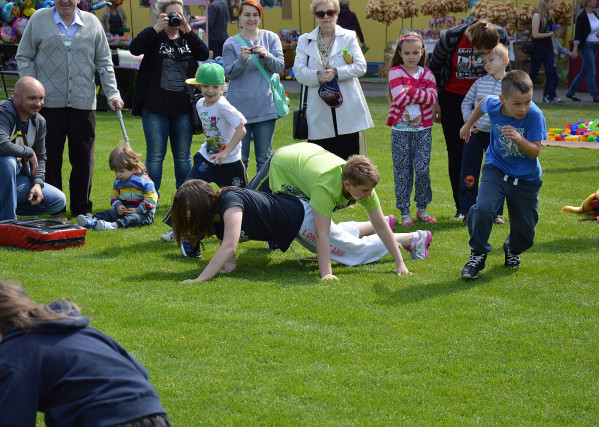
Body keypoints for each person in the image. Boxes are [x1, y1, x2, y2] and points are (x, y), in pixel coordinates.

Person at [171, 180, 431, 283]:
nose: (186, 216)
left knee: (352, 254)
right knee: (338, 234)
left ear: (201, 204)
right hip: (295, 215)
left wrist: (199, 279)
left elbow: (230, 245)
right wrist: (225, 267)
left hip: (298, 220)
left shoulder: (229, 205)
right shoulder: (218, 213)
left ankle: (413, 238)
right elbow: (229, 256)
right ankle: (380, 223)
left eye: (187, 211)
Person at [0, 280, 171, 426]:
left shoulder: (15, 355)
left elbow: (12, 419)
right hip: (154, 414)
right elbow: (140, 371)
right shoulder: (83, 331)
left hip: (103, 420)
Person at [16, 0, 124, 219]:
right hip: (47, 105)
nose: (65, 0)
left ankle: (82, 208)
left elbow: (104, 62)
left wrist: (112, 93)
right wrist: (33, 89)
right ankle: (55, 208)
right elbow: (23, 56)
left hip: (83, 103)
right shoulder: (38, 19)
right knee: (50, 157)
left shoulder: (93, 23)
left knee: (84, 158)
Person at [249, 143, 417, 280]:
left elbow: (381, 225)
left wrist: (400, 263)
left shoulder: (365, 186)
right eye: (365, 191)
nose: (369, 194)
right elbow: (322, 235)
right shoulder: (326, 187)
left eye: (371, 190)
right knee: (246, 206)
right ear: (347, 185)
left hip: (308, 160)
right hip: (281, 162)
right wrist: (327, 273)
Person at [459, 70, 546, 279]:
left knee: (526, 231)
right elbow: (481, 104)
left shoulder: (534, 115)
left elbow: (535, 151)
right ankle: (477, 255)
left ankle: (513, 249)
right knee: (483, 208)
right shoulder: (494, 103)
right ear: (502, 99)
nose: (523, 108)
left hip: (526, 177)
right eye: (516, 103)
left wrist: (517, 138)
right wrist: (468, 125)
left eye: (527, 101)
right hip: (496, 167)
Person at [159, 62, 248, 250]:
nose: (210, 91)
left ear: (223, 87)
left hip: (229, 163)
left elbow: (242, 129)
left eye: (215, 86)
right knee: (186, 191)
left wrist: (225, 152)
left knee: (243, 199)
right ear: (198, 86)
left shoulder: (224, 106)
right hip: (206, 158)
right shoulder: (200, 103)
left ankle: (244, 229)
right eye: (205, 86)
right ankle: (178, 228)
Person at [428, 20, 509, 221]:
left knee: (496, 161)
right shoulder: (451, 38)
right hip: (453, 98)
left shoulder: (500, 35)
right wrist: (435, 100)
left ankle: (494, 210)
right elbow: (433, 69)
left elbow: (506, 66)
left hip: (490, 101)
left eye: (487, 54)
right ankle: (463, 208)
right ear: (472, 42)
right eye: (481, 52)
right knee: (457, 155)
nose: (484, 59)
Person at [129, 0, 209, 193]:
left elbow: (204, 54)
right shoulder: (154, 36)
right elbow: (134, 49)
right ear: (161, 16)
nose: (175, 18)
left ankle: (185, 197)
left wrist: (188, 29)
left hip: (183, 108)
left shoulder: (188, 37)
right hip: (155, 108)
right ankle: (151, 197)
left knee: (183, 156)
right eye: (170, 14)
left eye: (179, 14)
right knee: (155, 156)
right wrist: (156, 28)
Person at [292, 0, 373, 160]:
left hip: (347, 114)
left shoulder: (349, 37)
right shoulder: (305, 40)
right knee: (320, 166)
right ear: (315, 16)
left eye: (330, 12)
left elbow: (361, 66)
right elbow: (298, 71)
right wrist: (317, 76)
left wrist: (337, 72)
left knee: (349, 166)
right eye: (320, 13)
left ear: (337, 14)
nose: (326, 17)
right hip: (318, 115)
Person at [222, 0, 284, 172]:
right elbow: (229, 74)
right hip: (238, 110)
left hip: (265, 107)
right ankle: (242, 195)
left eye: (255, 15)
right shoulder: (230, 43)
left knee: (264, 158)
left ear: (260, 17)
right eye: (247, 15)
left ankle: (261, 196)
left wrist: (267, 55)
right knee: (241, 159)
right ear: (239, 17)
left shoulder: (271, 38)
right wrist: (241, 60)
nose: (251, 19)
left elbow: (279, 67)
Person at [385, 33, 438, 226]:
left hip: (424, 129)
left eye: (416, 52)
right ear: (400, 53)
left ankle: (422, 208)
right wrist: (421, 94)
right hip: (401, 130)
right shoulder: (395, 72)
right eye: (406, 53)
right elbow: (398, 98)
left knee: (423, 169)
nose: (411, 56)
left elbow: (433, 99)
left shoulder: (428, 74)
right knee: (402, 170)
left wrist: (411, 91)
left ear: (422, 52)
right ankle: (404, 210)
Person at [0, 77, 66, 221]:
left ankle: (6, 206)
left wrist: (37, 183)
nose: (38, 103)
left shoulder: (40, 122)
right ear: (16, 96)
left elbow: (41, 157)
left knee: (58, 200)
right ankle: (7, 222)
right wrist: (28, 152)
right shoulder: (3, 113)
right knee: (8, 161)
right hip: (4, 174)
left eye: (41, 98)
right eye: (32, 98)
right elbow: (2, 145)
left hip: (16, 180)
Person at [459, 44, 509, 228]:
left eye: (491, 60)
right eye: (484, 61)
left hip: (497, 138)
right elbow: (466, 103)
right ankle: (467, 212)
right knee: (469, 173)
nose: (486, 64)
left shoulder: (510, 84)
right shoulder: (479, 82)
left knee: (497, 173)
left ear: (504, 60)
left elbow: (514, 108)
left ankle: (497, 213)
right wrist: (469, 123)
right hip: (475, 135)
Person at [77, 145, 158, 231]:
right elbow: (114, 196)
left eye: (121, 171)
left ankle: (112, 225)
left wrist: (138, 210)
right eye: (115, 171)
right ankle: (92, 221)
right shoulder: (119, 180)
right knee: (109, 213)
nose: (117, 174)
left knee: (132, 219)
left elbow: (151, 199)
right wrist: (119, 206)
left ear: (134, 168)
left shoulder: (144, 180)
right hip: (125, 209)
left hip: (144, 213)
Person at [566, 0, 599, 103]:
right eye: (593, 0)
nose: (595, 2)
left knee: (584, 72)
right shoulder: (582, 16)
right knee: (591, 70)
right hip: (586, 46)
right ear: (587, 2)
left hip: (595, 45)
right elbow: (577, 34)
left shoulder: (594, 14)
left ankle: (571, 92)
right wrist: (575, 49)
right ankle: (595, 95)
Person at [530, 0, 562, 103]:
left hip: (548, 47)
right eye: (551, 2)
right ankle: (522, 92)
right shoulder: (537, 16)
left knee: (551, 72)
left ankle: (549, 95)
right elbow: (535, 35)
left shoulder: (549, 16)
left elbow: (551, 35)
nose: (553, 4)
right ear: (545, 3)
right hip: (538, 48)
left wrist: (554, 48)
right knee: (533, 73)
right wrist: (549, 34)